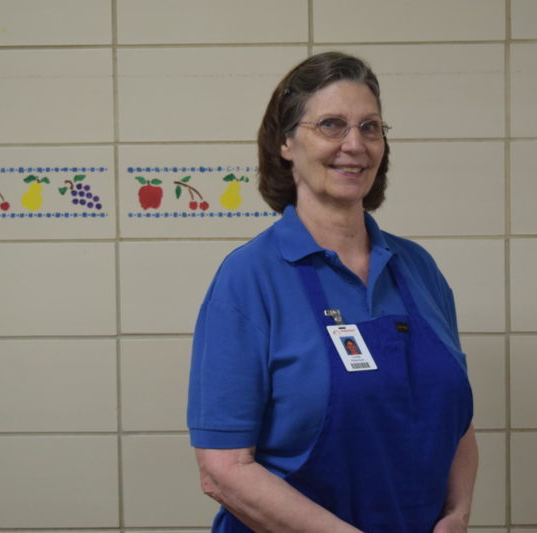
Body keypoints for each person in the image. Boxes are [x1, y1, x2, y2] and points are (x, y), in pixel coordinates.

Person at [188, 51, 477, 533]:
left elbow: (457, 424)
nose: (355, 144)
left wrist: (457, 514)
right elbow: (223, 469)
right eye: (331, 125)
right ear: (285, 143)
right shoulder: (250, 279)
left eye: (370, 127)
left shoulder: (419, 269)